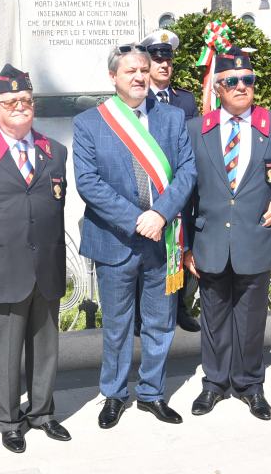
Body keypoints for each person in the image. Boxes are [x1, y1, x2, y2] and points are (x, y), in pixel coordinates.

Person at [185, 48, 271, 421]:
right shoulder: (198, 128)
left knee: (251, 319)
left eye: (248, 80)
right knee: (213, 318)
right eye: (231, 81)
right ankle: (213, 384)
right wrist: (184, 246)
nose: (240, 87)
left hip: (254, 239)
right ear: (218, 87)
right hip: (209, 241)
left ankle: (249, 385)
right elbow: (185, 190)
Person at [74, 43, 196, 429]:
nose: (141, 76)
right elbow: (88, 183)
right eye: (131, 71)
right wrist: (137, 218)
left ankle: (152, 393)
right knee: (117, 325)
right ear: (114, 77)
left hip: (161, 240)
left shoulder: (173, 118)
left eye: (144, 69)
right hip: (116, 241)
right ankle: (113, 394)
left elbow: (188, 173)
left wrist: (160, 214)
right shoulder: (90, 123)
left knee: (161, 322)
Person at [0, 64, 71, 453]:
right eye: (10, 101)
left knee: (45, 347)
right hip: (2, 269)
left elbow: (55, 207)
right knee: (5, 353)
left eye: (25, 99)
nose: (20, 106)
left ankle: (42, 412)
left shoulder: (55, 152)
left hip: (46, 267)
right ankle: (8, 420)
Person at [140, 28, 201, 334]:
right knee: (150, 252)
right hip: (150, 191)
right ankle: (145, 315)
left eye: (168, 59)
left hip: (181, 189)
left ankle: (180, 309)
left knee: (182, 245)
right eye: (157, 59)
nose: (164, 65)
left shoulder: (185, 101)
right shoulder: (138, 100)